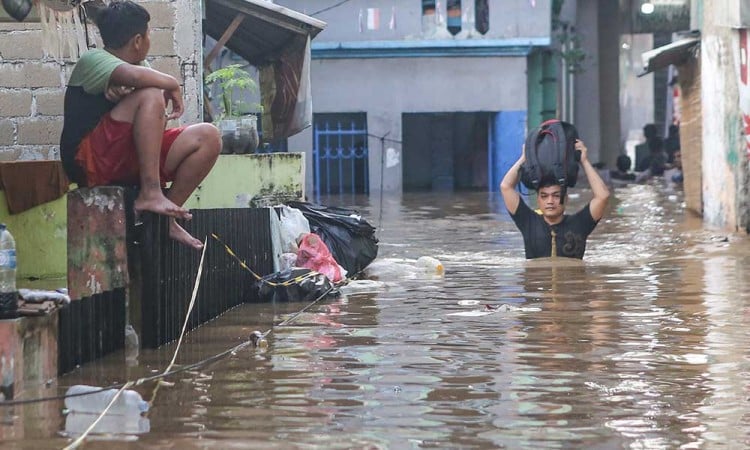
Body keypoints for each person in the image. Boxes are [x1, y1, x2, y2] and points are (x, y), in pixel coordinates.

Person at [60, 0, 221, 250]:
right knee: (151, 94)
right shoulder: (93, 59)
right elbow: (140, 82)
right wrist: (171, 84)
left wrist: (148, 89)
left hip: (127, 157)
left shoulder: (141, 68)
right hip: (89, 162)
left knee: (208, 136)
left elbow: (145, 93)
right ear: (137, 41)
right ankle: (151, 192)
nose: (149, 39)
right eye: (149, 34)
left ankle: (165, 218)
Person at [500, 139, 610, 259]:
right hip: (537, 278)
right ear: (538, 200)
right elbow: (506, 187)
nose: (550, 201)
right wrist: (524, 158)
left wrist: (584, 161)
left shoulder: (580, 223)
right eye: (544, 196)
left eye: (556, 196)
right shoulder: (528, 222)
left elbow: (603, 195)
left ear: (566, 199)